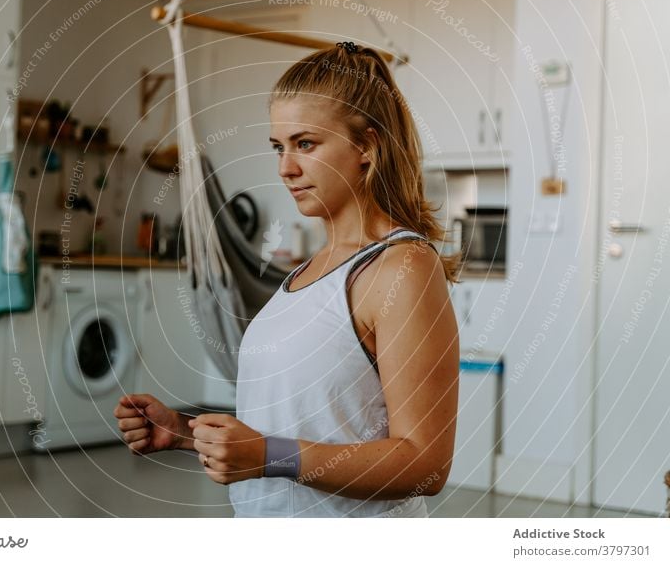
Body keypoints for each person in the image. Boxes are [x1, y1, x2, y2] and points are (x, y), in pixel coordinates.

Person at [114, 41, 461, 518]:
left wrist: (267, 456)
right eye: (279, 147)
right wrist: (183, 432)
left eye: (306, 144)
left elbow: (425, 463)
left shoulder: (402, 268)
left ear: (367, 145)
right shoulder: (306, 272)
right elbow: (295, 421)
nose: (285, 168)